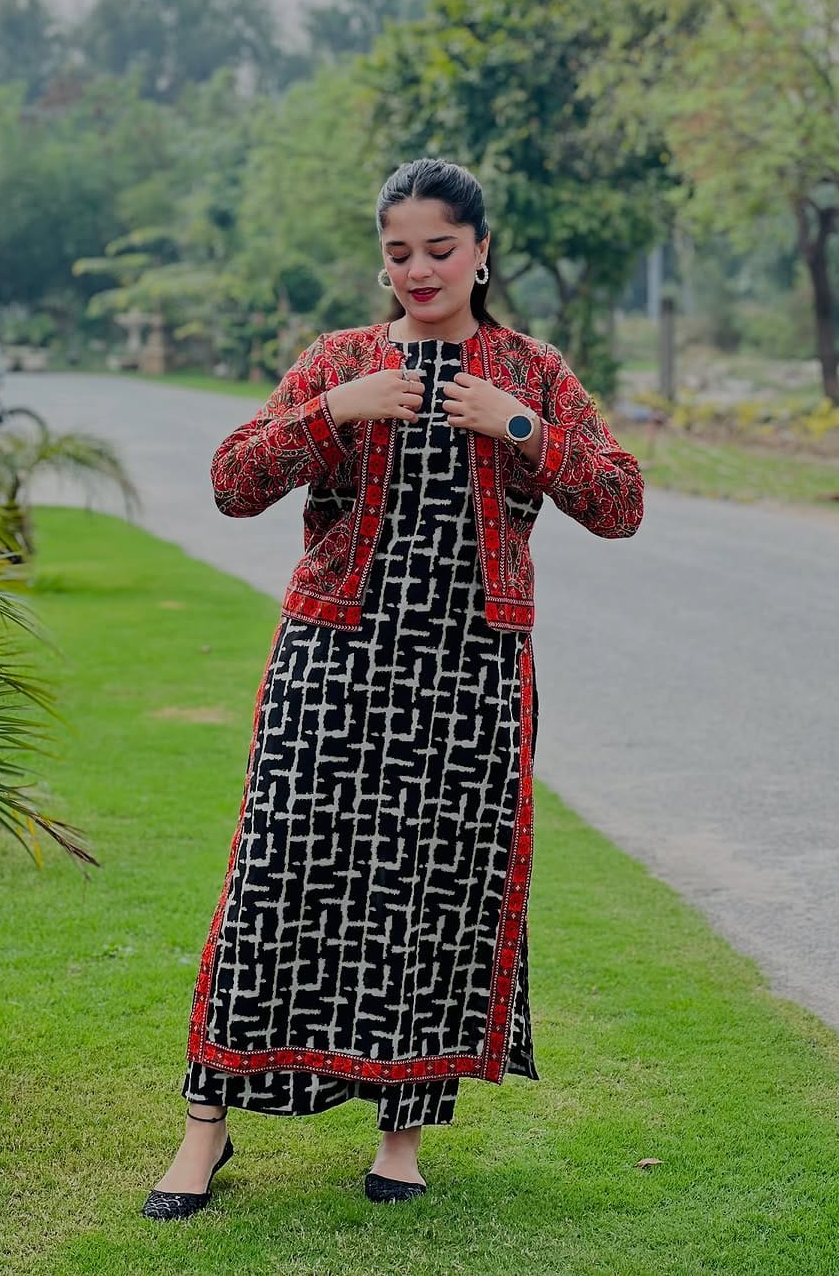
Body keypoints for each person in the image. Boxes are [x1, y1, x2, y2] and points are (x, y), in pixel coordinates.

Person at [141, 158, 645, 1220]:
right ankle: (204, 1125)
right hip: (335, 660)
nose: (420, 269)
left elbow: (620, 502)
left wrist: (517, 424)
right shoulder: (338, 360)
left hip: (471, 672)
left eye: (440, 249)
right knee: (274, 876)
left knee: (434, 891)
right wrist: (337, 408)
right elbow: (232, 481)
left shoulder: (531, 370)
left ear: (481, 252)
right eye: (400, 252)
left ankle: (402, 1133)